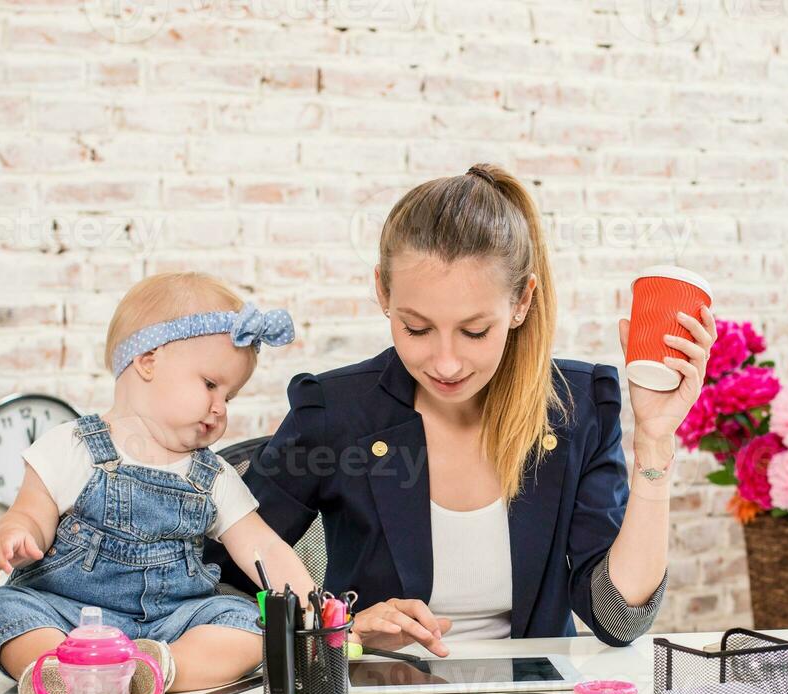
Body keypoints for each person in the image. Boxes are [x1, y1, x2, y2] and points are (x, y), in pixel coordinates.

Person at [229, 163, 713, 656]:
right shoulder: (335, 413)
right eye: (416, 328)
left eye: (475, 331)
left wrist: (654, 440)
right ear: (383, 292)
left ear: (521, 302)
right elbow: (219, 581)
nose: (445, 362)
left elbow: (619, 618)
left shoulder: (576, 408)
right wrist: (341, 633)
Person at [0, 272, 316, 694]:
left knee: (249, 623)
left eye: (229, 396)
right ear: (148, 361)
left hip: (172, 623)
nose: (220, 408)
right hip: (71, 618)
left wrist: (311, 606)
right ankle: (57, 672)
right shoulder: (72, 445)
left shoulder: (213, 476)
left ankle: (154, 669)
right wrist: (18, 534)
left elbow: (262, 545)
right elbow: (30, 512)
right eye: (211, 385)